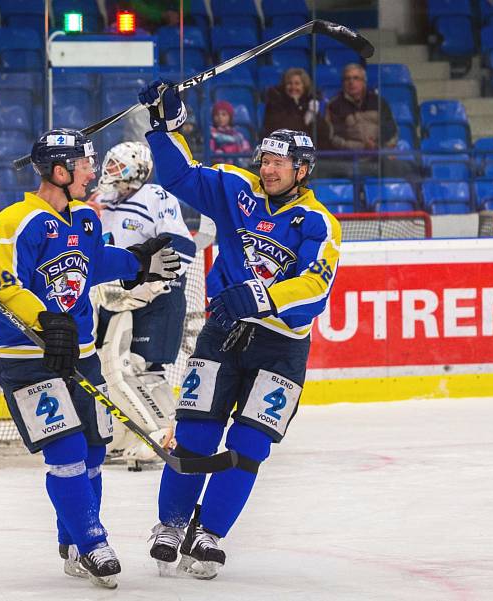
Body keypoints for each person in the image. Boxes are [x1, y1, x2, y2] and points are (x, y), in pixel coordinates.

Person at [137, 80, 341, 579]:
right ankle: (171, 523)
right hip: (224, 334)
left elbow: (317, 288)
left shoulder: (317, 222)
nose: (268, 169)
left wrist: (264, 296)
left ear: (302, 170)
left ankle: (208, 533)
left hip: (281, 348)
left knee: (250, 445)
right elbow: (181, 176)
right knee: (196, 433)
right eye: (264, 159)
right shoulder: (237, 190)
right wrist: (164, 127)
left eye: (279, 163)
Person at [0, 128, 181, 589]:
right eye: (85, 164)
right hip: (27, 358)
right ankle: (93, 541)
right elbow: (6, 285)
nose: (93, 172)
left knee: (93, 450)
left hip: (83, 356)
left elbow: (94, 262)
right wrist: (45, 320)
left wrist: (138, 264)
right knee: (67, 451)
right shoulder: (15, 222)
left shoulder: (86, 219)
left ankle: (70, 541)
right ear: (59, 170)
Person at [91, 140, 197, 470]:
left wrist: (148, 273)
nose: (109, 172)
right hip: (118, 297)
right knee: (109, 367)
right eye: (108, 165)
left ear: (137, 169)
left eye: (117, 166)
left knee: (145, 367)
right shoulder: (102, 201)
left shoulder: (155, 197)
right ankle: (124, 435)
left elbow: (182, 247)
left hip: (157, 296)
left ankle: (167, 433)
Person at [319, 63, 402, 178]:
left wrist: (379, 146)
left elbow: (391, 129)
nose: (351, 82)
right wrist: (362, 147)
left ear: (364, 82)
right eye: (347, 79)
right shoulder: (334, 105)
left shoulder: (378, 101)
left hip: (379, 155)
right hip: (350, 160)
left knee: (404, 168)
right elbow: (333, 138)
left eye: (356, 78)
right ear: (343, 83)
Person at [260, 67, 323, 141]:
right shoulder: (275, 103)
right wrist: (295, 105)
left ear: (304, 86)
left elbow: (323, 134)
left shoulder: (310, 103)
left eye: (297, 84)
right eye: (289, 83)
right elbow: (283, 129)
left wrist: (313, 114)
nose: (293, 87)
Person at [209, 100, 252, 167]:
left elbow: (246, 150)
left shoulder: (238, 135)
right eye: (217, 115)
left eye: (224, 114)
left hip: (238, 168)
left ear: (230, 117)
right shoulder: (211, 133)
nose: (220, 117)